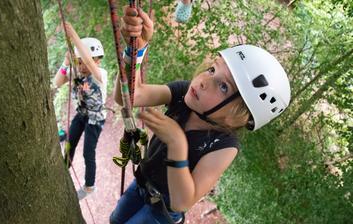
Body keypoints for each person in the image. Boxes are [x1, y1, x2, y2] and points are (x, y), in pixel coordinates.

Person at [110, 6, 291, 224]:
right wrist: (136, 51)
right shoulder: (185, 93)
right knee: (116, 220)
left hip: (163, 211)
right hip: (141, 183)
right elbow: (130, 96)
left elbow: (182, 202)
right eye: (213, 70)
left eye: (223, 87)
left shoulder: (224, 146)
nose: (205, 80)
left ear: (239, 117)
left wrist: (177, 144)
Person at [54, 22, 108, 200]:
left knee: (88, 152)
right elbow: (57, 82)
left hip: (95, 118)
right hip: (82, 113)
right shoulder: (76, 71)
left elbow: (91, 66)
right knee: (70, 142)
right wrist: (66, 62)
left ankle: (89, 186)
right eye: (80, 62)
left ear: (97, 61)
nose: (83, 66)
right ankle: (63, 168)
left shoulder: (101, 74)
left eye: (87, 62)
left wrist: (74, 36)